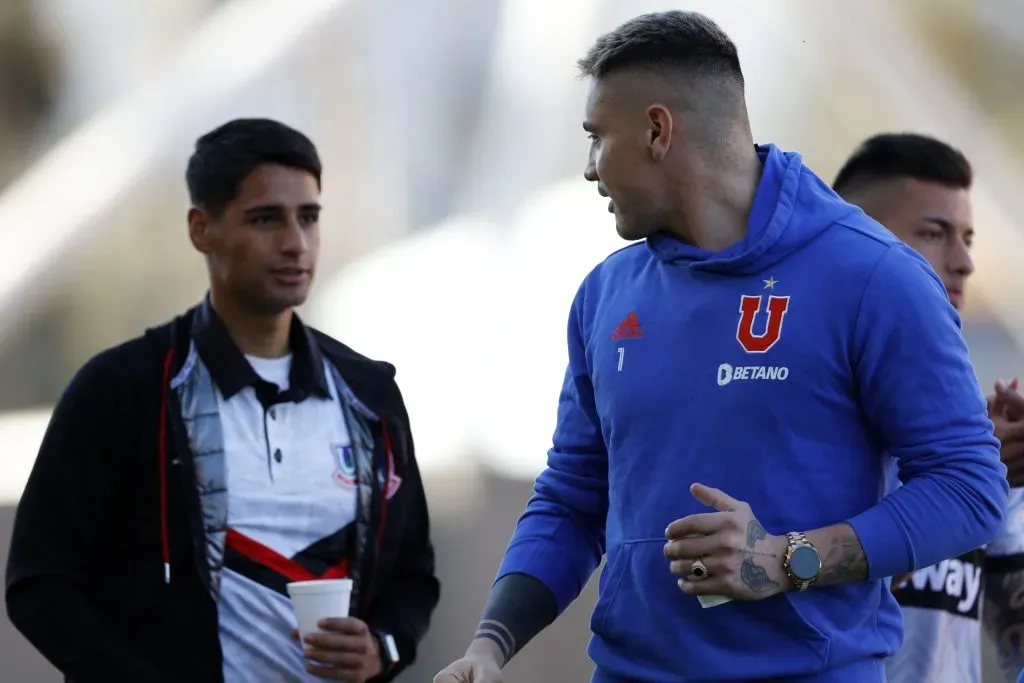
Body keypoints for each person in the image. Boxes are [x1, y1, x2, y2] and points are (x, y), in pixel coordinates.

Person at [433, 11, 1008, 683]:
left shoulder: (875, 276)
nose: (589, 169)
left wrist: (788, 557)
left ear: (657, 130)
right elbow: (571, 497)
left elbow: (970, 489)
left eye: (596, 139)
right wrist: (488, 646)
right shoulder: (605, 293)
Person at [5, 118, 438, 683]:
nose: (295, 242)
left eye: (308, 217)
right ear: (200, 228)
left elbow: (415, 574)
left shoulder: (369, 392)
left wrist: (382, 647)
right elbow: (38, 583)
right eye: (266, 219)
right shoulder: (120, 388)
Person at [833, 132, 1024, 683]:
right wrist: (956, 490)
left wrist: (990, 476)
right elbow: (784, 586)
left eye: (968, 238)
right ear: (853, 237)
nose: (964, 262)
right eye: (934, 234)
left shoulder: (985, 436)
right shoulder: (801, 422)